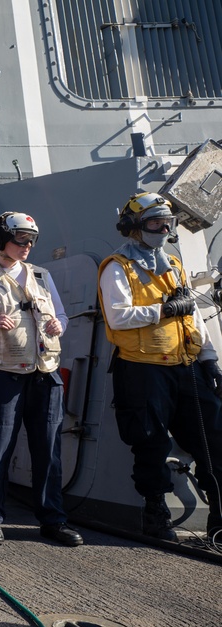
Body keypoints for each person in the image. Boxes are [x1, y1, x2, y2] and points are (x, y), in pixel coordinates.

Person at [0, 212, 83, 548]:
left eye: (31, 240)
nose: (27, 246)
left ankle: (53, 519)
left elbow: (61, 315)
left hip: (46, 372)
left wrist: (58, 326)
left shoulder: (42, 275)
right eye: (20, 239)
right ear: (0, 241)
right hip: (3, 374)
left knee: (48, 450)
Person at [97, 192, 222, 542]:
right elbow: (118, 317)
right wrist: (163, 311)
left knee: (213, 439)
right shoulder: (117, 266)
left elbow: (192, 314)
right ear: (134, 227)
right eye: (155, 223)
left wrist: (209, 359)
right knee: (150, 444)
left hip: (186, 366)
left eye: (168, 223)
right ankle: (155, 515)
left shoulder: (173, 263)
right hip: (142, 370)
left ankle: (220, 517)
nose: (164, 229)